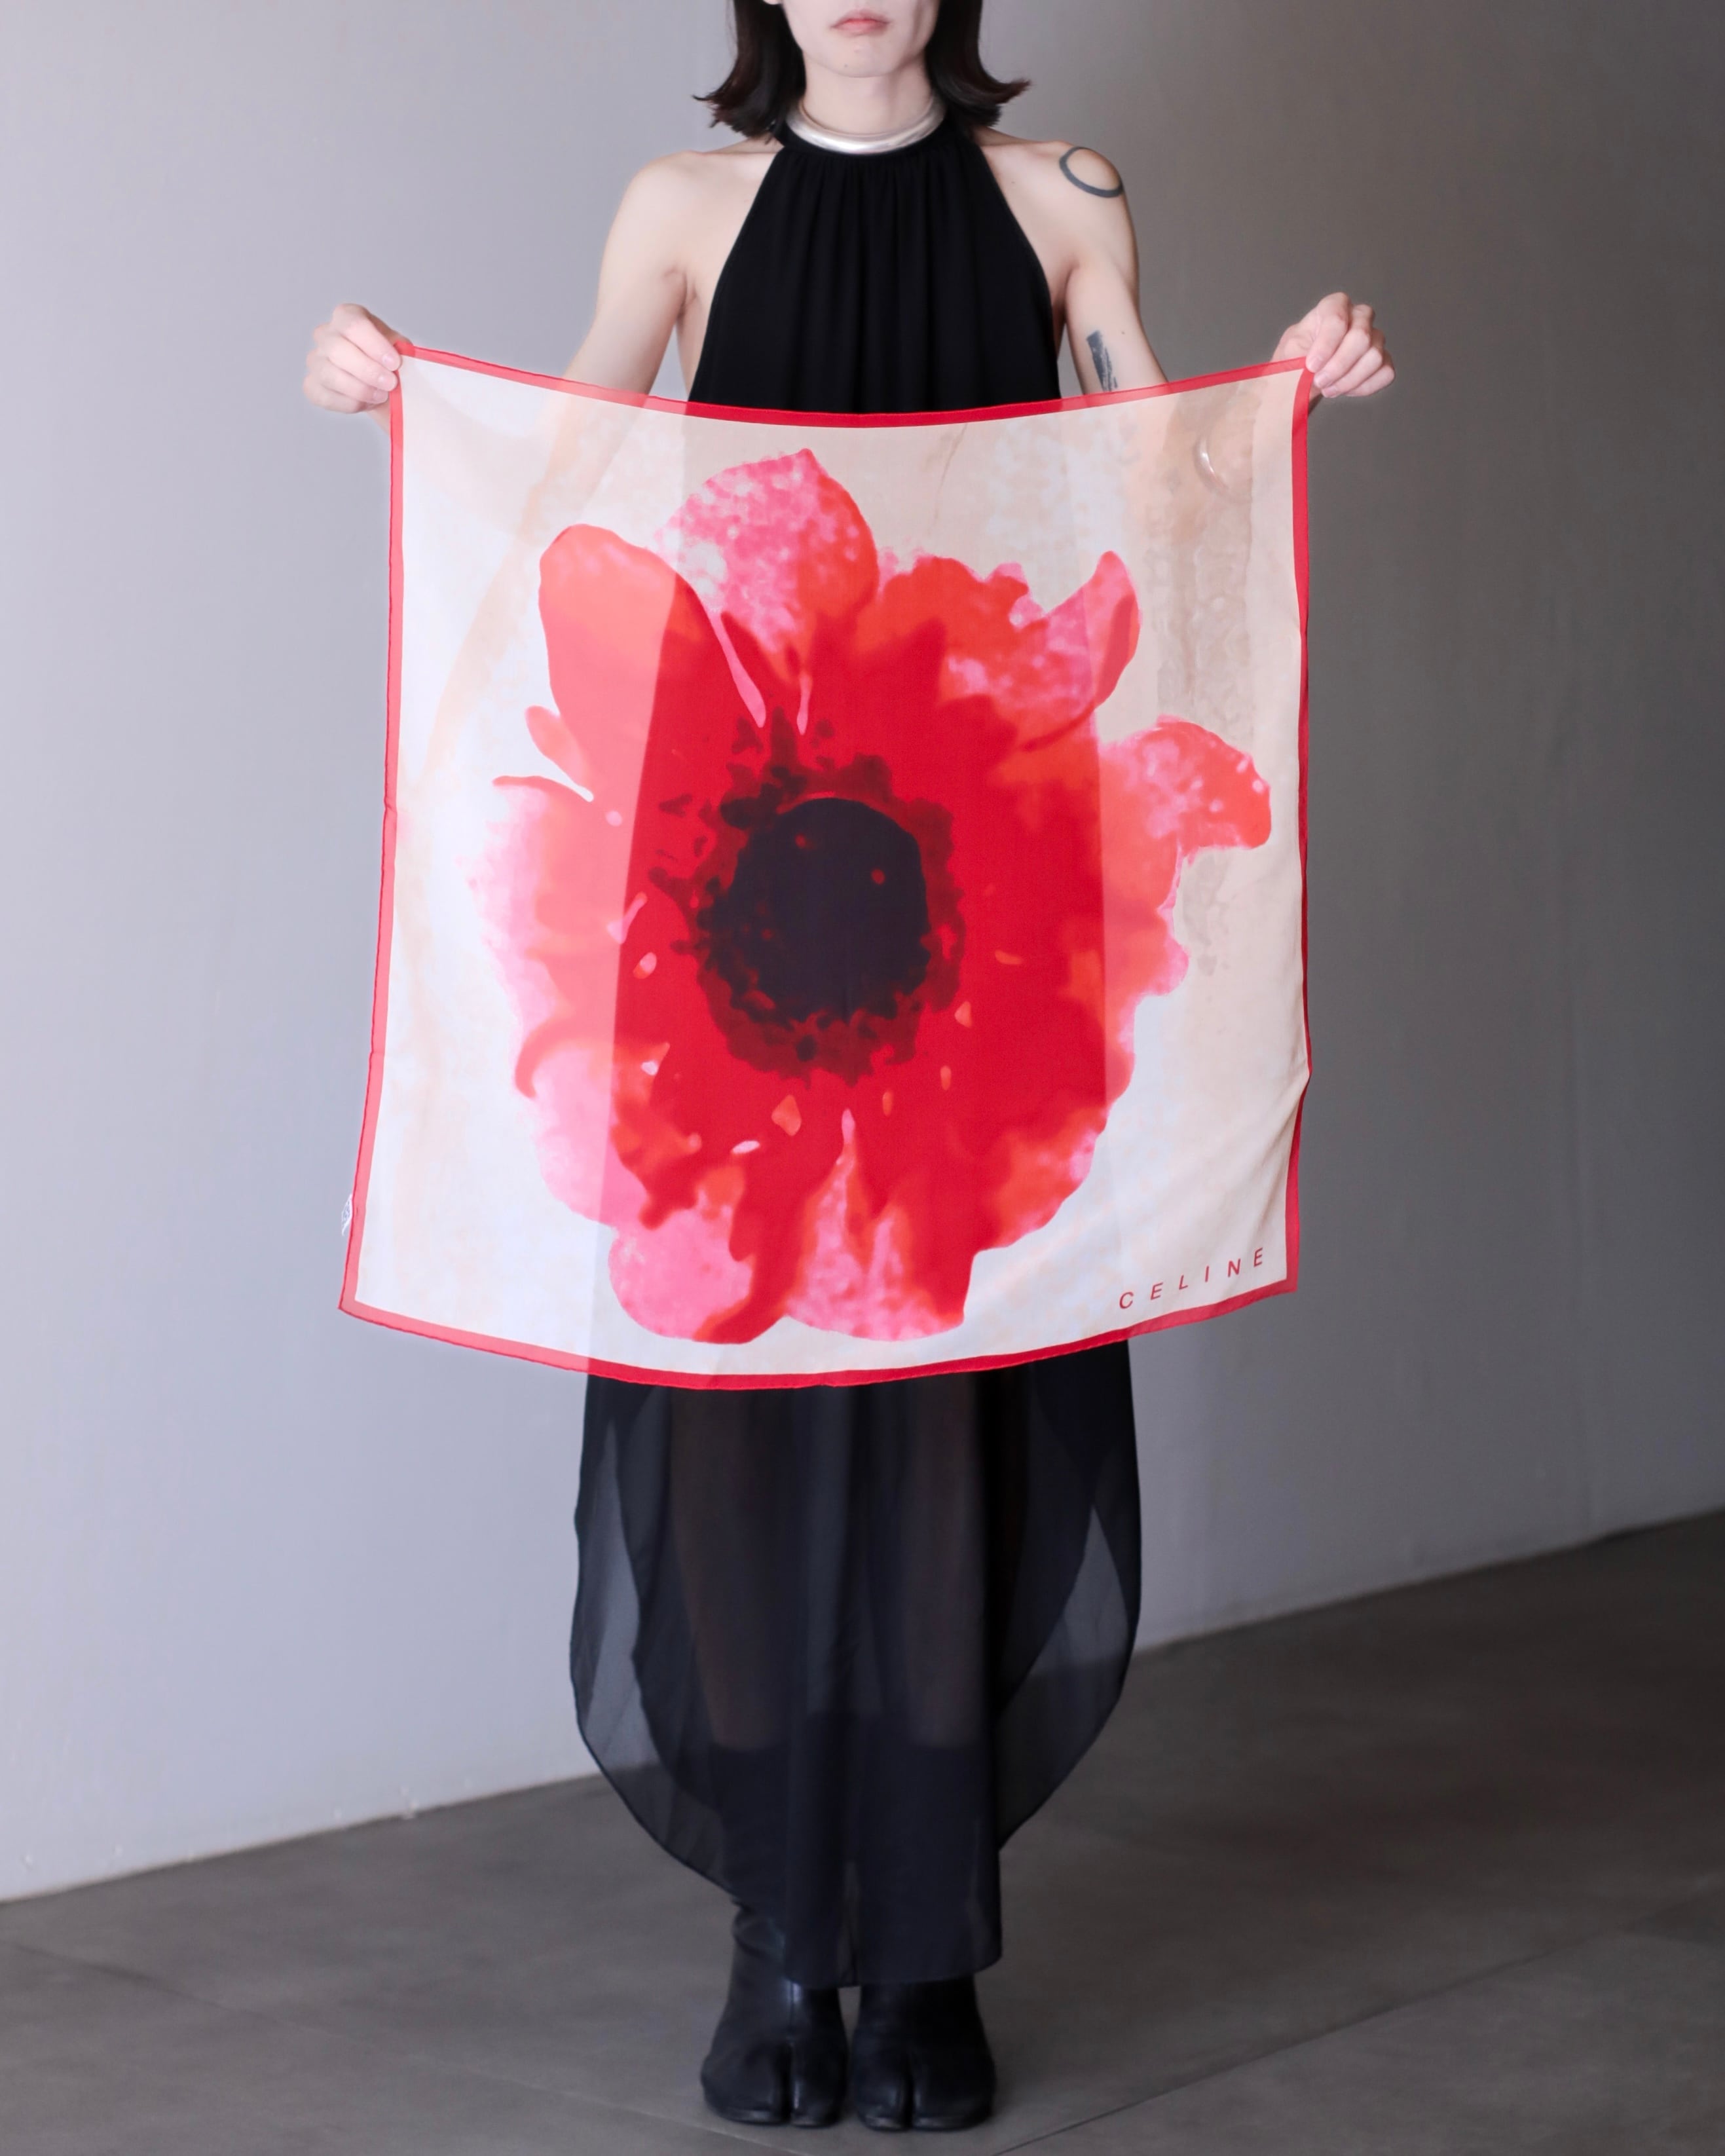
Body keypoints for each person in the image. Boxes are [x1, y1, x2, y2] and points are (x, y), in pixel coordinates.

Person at [305, 0, 1393, 2133]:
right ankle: (776, 1933)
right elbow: (565, 473)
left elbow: (1145, 481)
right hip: (730, 875)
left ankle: (920, 1948)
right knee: (739, 1438)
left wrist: (1283, 394)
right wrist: (402, 408)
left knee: (944, 1434)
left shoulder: (1058, 200)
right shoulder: (681, 205)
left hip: (982, 890)